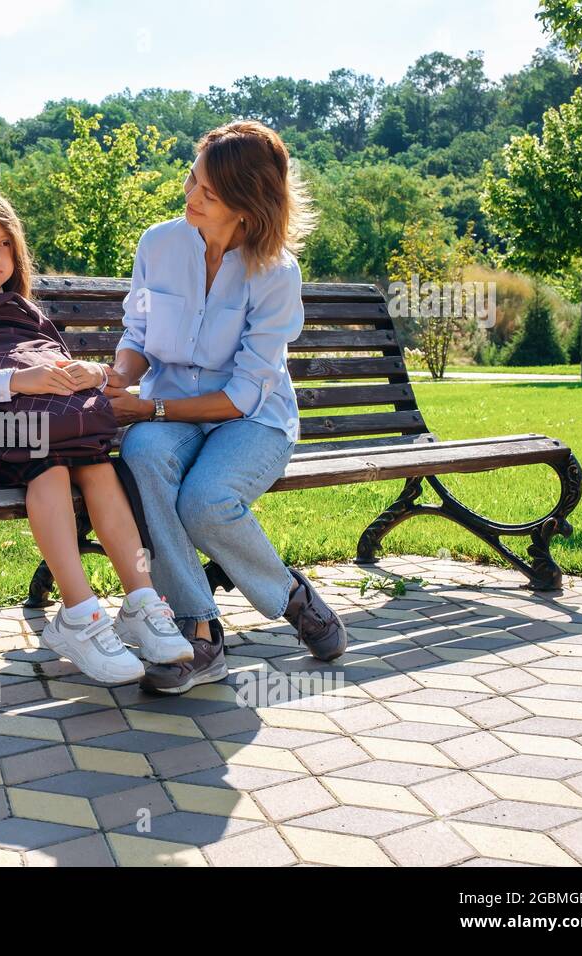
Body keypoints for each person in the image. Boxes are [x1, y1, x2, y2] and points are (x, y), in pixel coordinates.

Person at [103, 121, 349, 697]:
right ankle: (198, 632)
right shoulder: (158, 244)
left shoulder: (276, 274)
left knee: (207, 501)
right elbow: (137, 334)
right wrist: (117, 382)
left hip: (253, 420)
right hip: (166, 405)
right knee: (142, 456)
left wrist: (151, 408)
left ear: (245, 206)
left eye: (208, 193)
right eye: (192, 179)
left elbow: (243, 394)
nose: (191, 196)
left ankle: (288, 595)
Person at [0, 185, 191, 685]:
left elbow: (56, 378)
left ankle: (141, 600)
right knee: (47, 461)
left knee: (95, 463)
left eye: (4, 243)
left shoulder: (24, 309)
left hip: (36, 431)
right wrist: (14, 381)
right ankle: (79, 614)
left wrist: (88, 372)